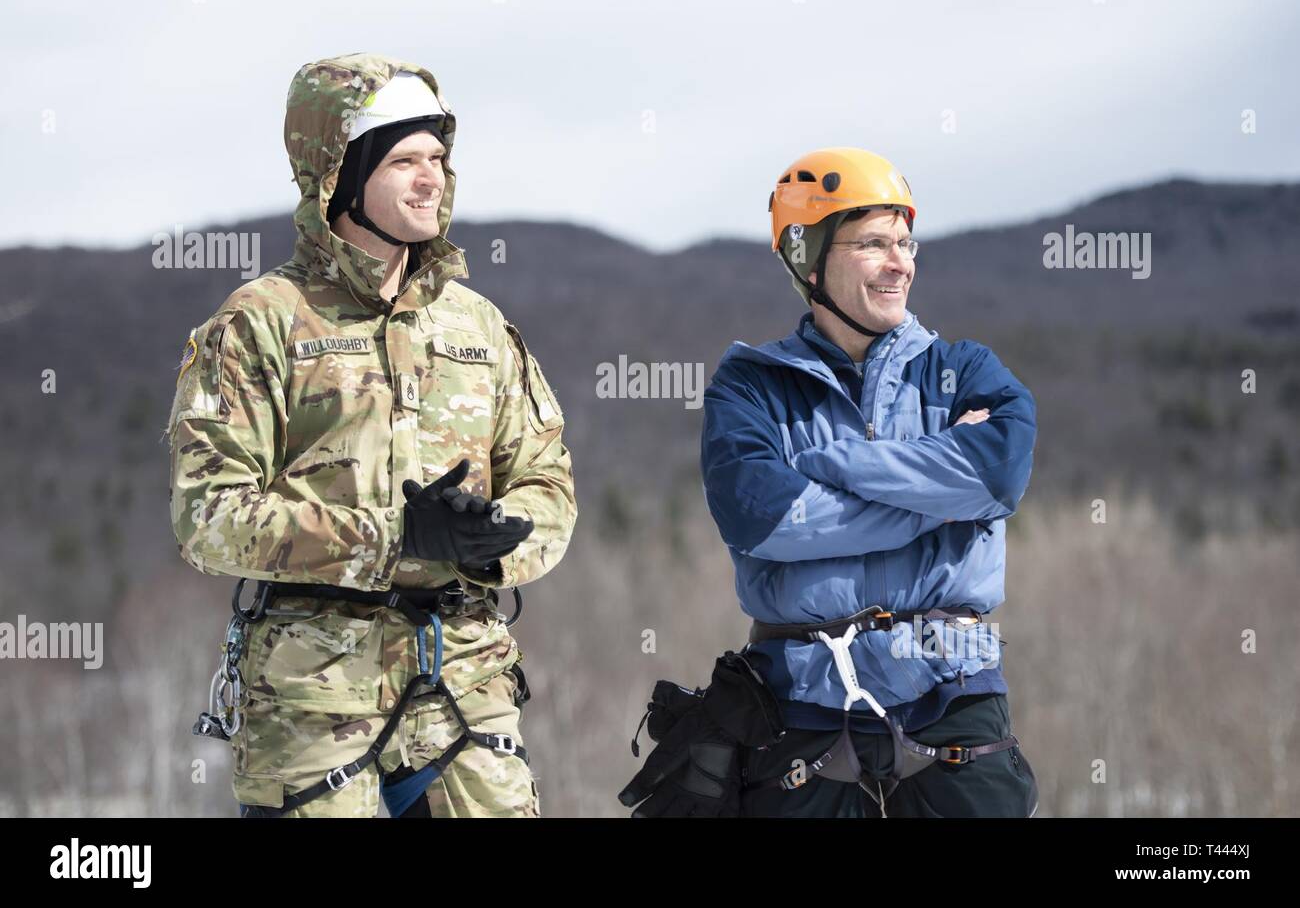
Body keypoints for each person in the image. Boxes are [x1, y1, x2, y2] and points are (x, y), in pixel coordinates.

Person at [168, 53, 577, 817]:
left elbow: (549, 483)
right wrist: (394, 536)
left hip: (465, 686)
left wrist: (493, 542)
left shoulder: (478, 324)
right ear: (341, 178)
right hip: (314, 700)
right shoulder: (260, 322)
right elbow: (208, 520)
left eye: (438, 158)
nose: (433, 179)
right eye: (404, 161)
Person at [631, 147, 1038, 817]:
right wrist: (935, 503)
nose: (900, 261)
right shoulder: (751, 387)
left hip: (954, 692)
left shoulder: (965, 369)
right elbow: (762, 519)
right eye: (874, 243)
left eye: (905, 242)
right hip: (800, 705)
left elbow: (996, 476)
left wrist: (835, 464)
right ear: (808, 258)